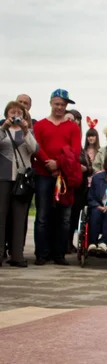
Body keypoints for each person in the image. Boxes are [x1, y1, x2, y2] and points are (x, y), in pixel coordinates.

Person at [32, 89, 82, 266]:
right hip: (43, 174)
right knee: (43, 214)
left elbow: (75, 152)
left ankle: (59, 253)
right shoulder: (40, 125)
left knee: (64, 216)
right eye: (57, 104)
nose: (59, 107)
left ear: (66, 106)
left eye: (63, 105)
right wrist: (48, 163)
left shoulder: (72, 127)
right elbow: (36, 147)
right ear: (51, 103)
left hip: (65, 175)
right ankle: (41, 253)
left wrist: (58, 163)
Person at [0, 101, 38, 267]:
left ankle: (17, 255)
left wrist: (24, 130)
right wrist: (3, 129)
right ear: (6, 114)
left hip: (22, 179)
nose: (15, 115)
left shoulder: (28, 132)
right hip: (3, 178)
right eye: (12, 112)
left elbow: (34, 149)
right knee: (1, 216)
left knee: (19, 217)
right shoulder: (2, 131)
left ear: (24, 115)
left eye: (19, 112)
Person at [66, 109, 92, 254]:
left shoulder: (80, 146)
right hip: (65, 184)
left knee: (75, 215)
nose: (74, 122)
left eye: (77, 120)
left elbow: (89, 167)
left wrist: (85, 168)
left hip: (80, 186)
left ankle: (69, 242)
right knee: (64, 216)